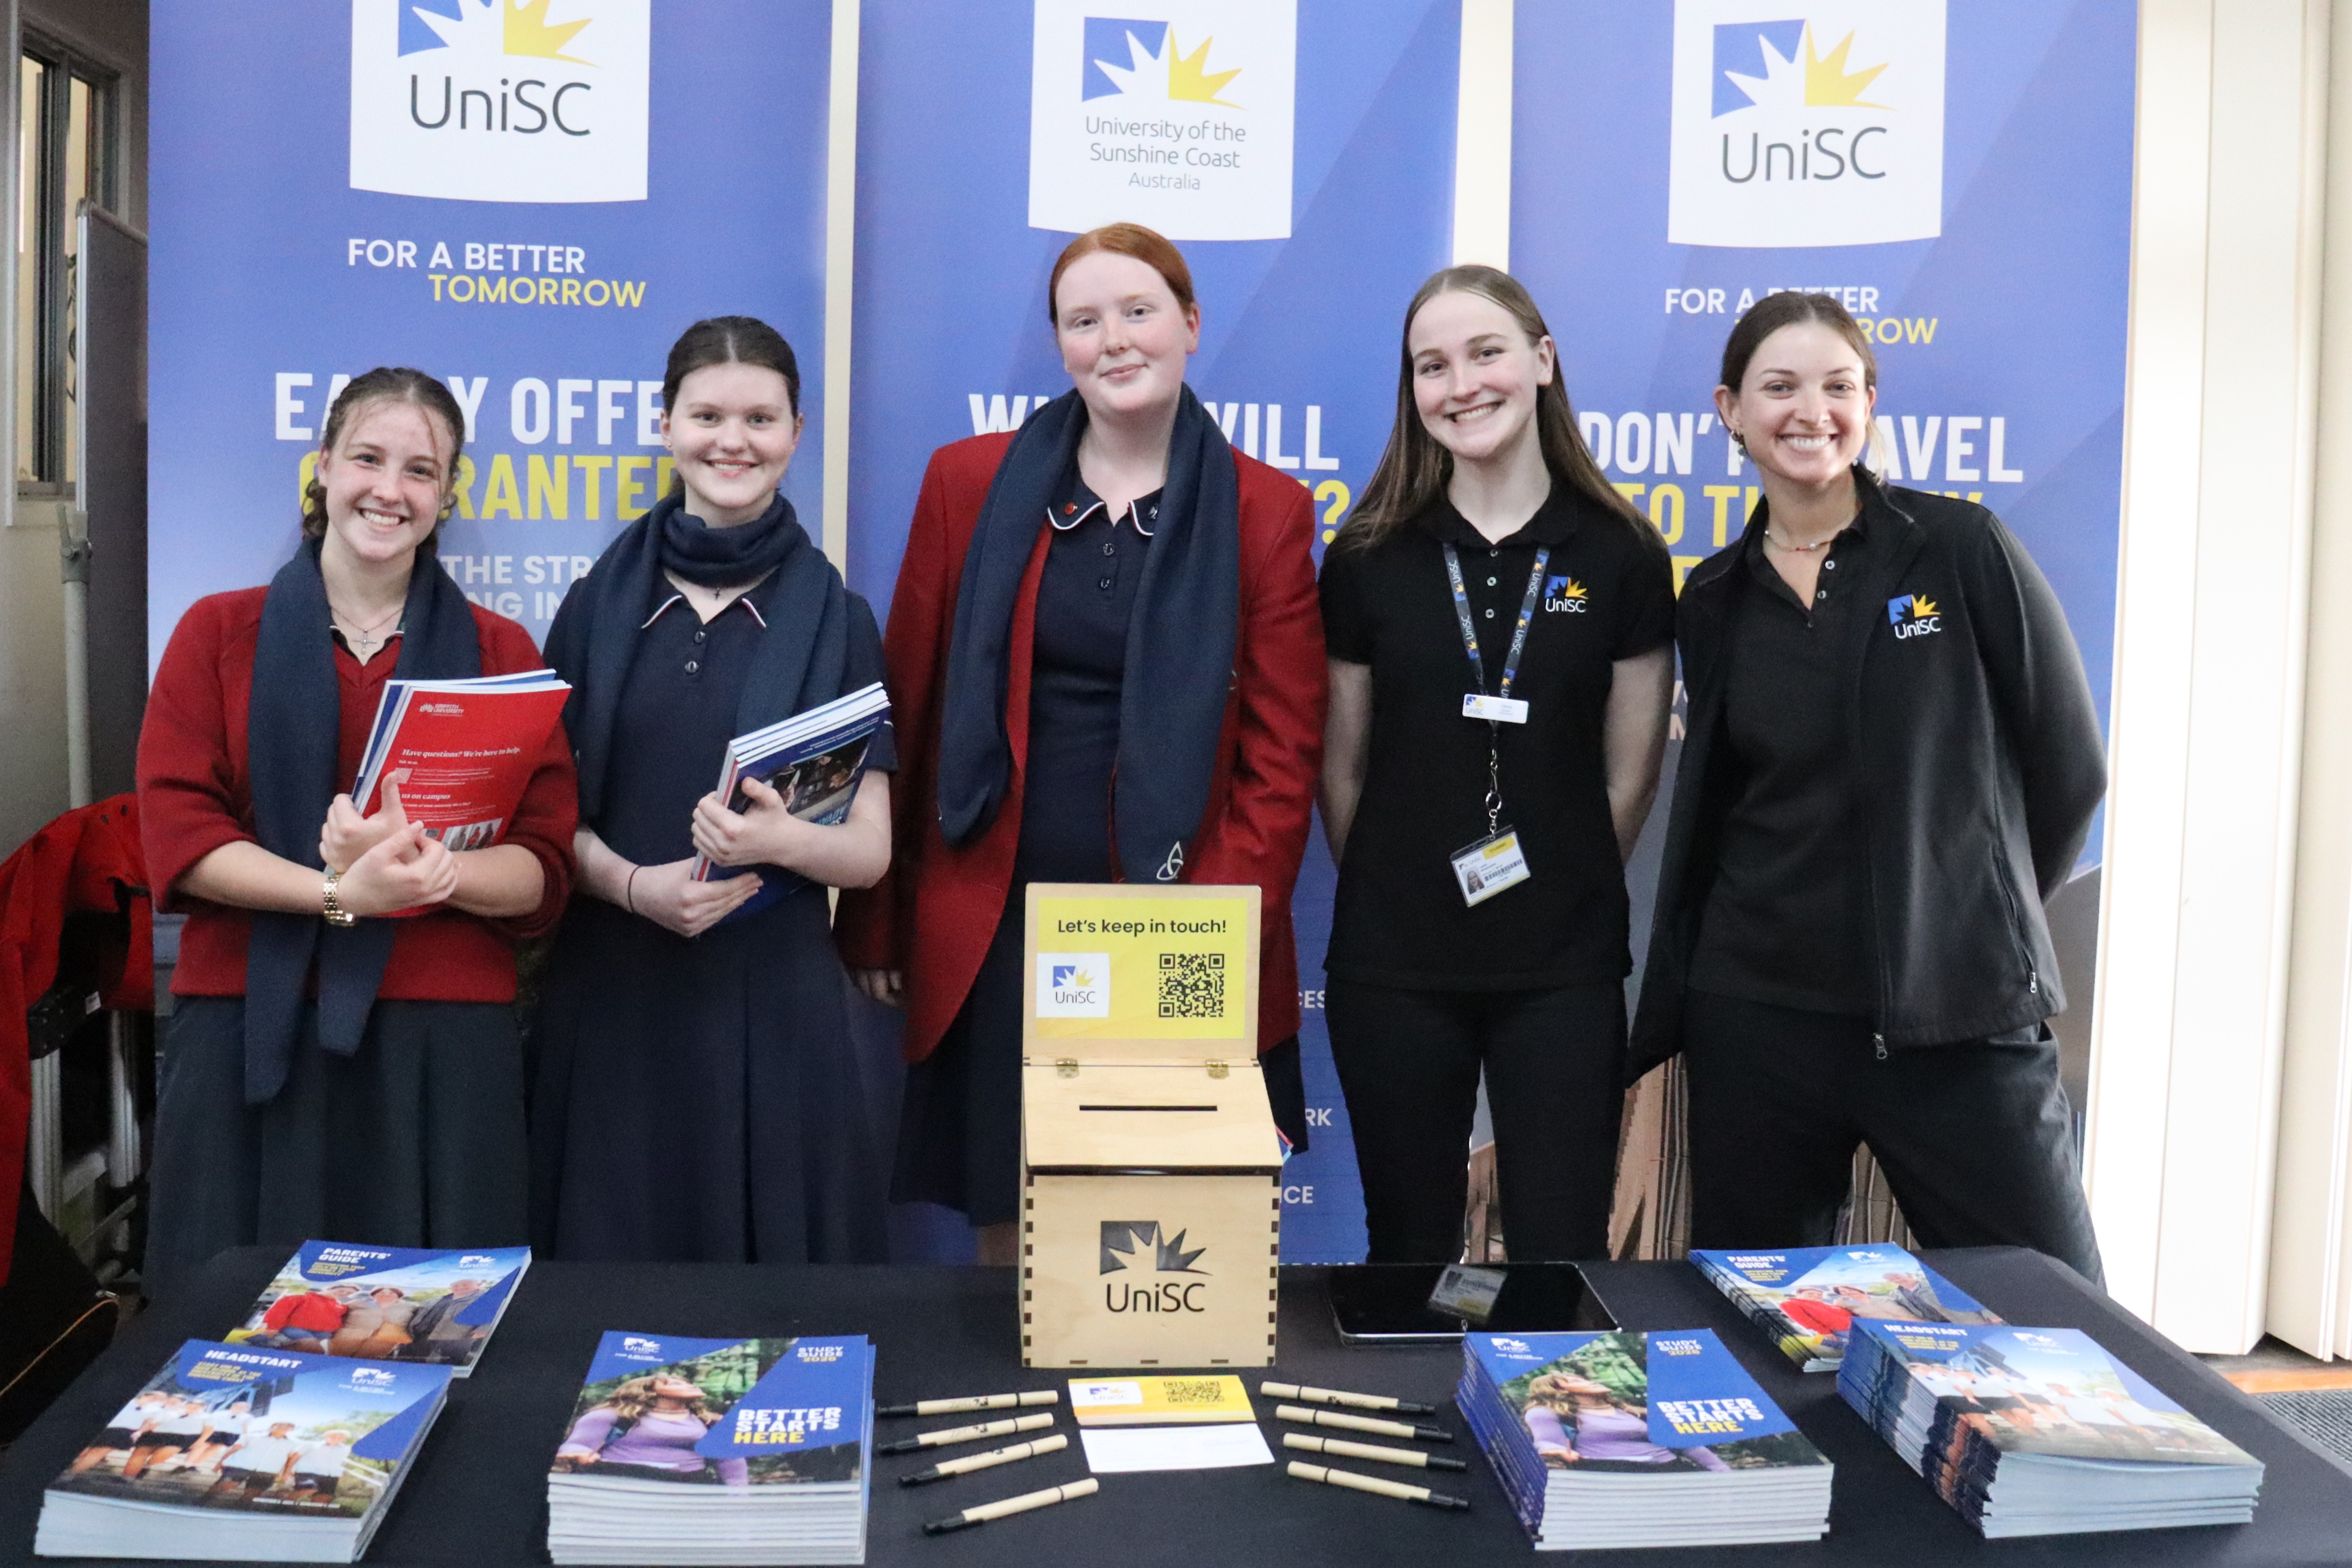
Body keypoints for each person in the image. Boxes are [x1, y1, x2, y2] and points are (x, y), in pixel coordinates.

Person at [834, 223, 1325, 1263]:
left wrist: (1206, 943)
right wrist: (877, 919)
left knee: (1167, 1237)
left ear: (1190, 325)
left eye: (1138, 311)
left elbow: (1282, 759)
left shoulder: (1267, 510)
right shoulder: (966, 485)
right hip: (1001, 916)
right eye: (1083, 319)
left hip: (1180, 915)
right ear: (1058, 344)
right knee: (1012, 1233)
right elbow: (908, 711)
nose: (1114, 339)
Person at [1630, 291, 2106, 1281]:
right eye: (1779, 386)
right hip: (1755, 1018)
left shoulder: (1959, 548)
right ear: (1728, 409)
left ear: (1869, 403)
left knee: (2056, 1305)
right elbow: (1721, 801)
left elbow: (2068, 764)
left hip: (1953, 1013)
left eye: (1837, 385)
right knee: (1754, 1313)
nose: (1811, 410)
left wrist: (1973, 907)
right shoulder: (1712, 595)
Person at [136, 369, 576, 1296]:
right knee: (236, 1332)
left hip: (442, 1041)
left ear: (448, 494)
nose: (391, 489)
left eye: (422, 470)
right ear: (323, 467)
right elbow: (180, 835)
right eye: (369, 459)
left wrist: (433, 877)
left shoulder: (503, 653)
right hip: (253, 1028)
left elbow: (541, 868)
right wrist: (339, 895)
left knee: (436, 1324)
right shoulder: (216, 633)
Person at [1316, 266, 1675, 1263]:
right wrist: (1402, 884)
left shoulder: (1621, 553)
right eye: (1432, 365)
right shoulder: (1367, 555)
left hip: (1559, 963)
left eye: (1485, 353)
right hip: (1395, 959)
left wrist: (1552, 881)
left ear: (1542, 362)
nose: (1460, 385)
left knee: (1559, 1246)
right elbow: (1339, 772)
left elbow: (1629, 777)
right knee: (1410, 1248)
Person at [531, 317, 894, 1264]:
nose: (733, 440)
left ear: (796, 434)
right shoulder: (595, 604)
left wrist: (780, 844)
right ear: (665, 426)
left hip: (769, 1004)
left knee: (762, 1301)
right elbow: (542, 820)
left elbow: (869, 853)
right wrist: (632, 886)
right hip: (610, 991)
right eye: (707, 415)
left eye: (760, 418)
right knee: (604, 1285)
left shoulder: (838, 619)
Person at [553, 1374, 748, 1486]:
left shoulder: (710, 1422)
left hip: (687, 1486)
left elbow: (731, 1459)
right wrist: (578, 1453)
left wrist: (737, 1492)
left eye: (687, 1382)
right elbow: (577, 1444)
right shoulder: (614, 1416)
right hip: (622, 1483)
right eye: (674, 1383)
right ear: (649, 1391)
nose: (688, 1385)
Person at [1520, 1371, 1727, 1472]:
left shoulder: (1636, 1413)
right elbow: (1547, 1441)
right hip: (1612, 1474)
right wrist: (1555, 1451)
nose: (1589, 1380)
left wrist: (1721, 1471)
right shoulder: (1548, 1413)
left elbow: (1686, 1444)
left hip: (1669, 1470)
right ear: (1559, 1391)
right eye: (1576, 1380)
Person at [405, 1277, 489, 1361]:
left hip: (455, 1340)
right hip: (421, 1336)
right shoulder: (437, 1299)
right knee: (412, 1362)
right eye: (456, 1285)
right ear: (450, 1287)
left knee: (447, 1365)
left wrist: (483, 1330)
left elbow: (493, 1315)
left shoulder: (485, 1300)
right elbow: (417, 1313)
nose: (460, 1287)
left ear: (479, 1285)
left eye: (465, 1285)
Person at [250, 1283, 351, 1353]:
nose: (344, 1294)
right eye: (341, 1291)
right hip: (296, 1329)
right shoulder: (303, 1297)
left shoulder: (340, 1306)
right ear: (329, 1288)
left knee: (320, 1348)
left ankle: (279, 1344)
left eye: (348, 1294)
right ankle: (274, 1343)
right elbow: (280, 1311)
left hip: (323, 1333)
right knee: (312, 1345)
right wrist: (273, 1328)